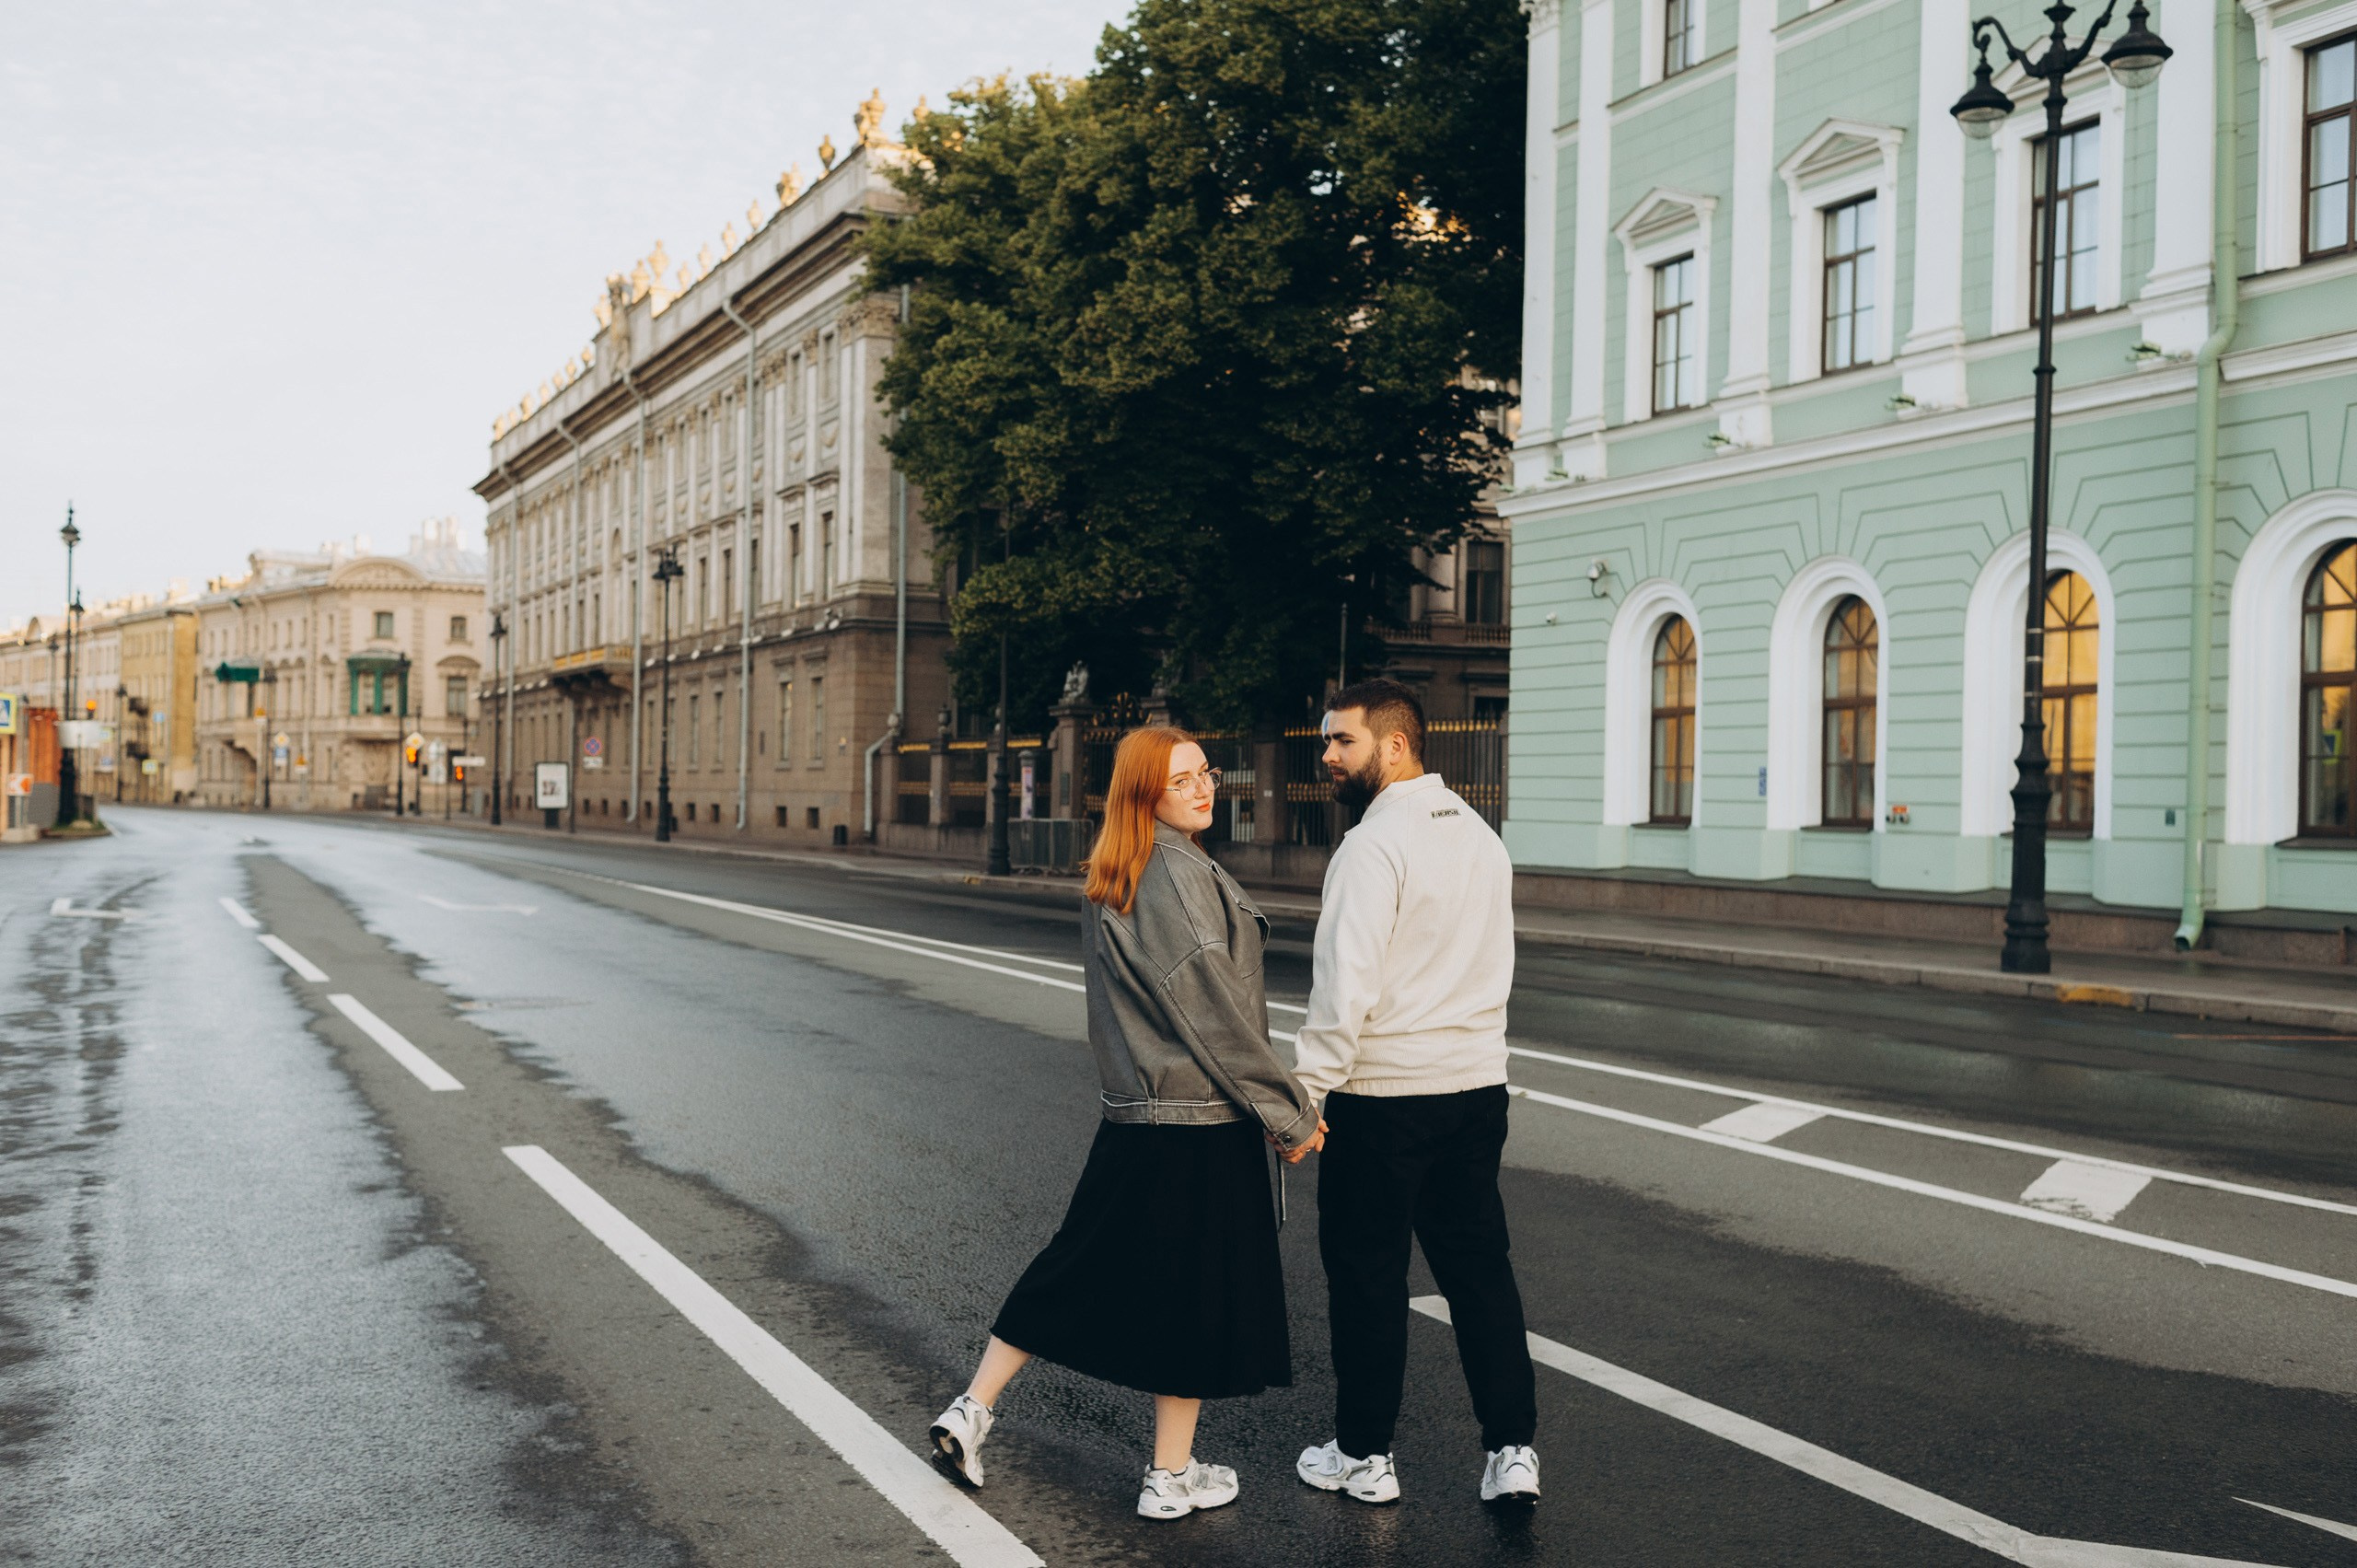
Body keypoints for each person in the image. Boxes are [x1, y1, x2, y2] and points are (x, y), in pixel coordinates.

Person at [928, 725, 1327, 1521]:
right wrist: (1289, 1112)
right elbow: (1212, 1015)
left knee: (1076, 1264)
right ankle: (1168, 1476)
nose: (1205, 788)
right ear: (1146, 795)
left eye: (1207, 772)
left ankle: (973, 1410)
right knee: (1196, 1296)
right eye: (1183, 781)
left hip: (1137, 1117)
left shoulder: (1118, 868)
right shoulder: (1175, 873)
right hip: (1198, 1121)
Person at [1290, 678, 1540, 1509]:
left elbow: (1344, 989)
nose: (1326, 756)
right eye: (1326, 741)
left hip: (1384, 1095)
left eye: (1342, 742)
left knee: (1367, 1277)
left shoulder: (1370, 846)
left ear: (1394, 745)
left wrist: (1306, 1094)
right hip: (1476, 1091)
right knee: (1480, 1273)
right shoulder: (1480, 836)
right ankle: (1511, 1451)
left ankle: (1364, 1455)